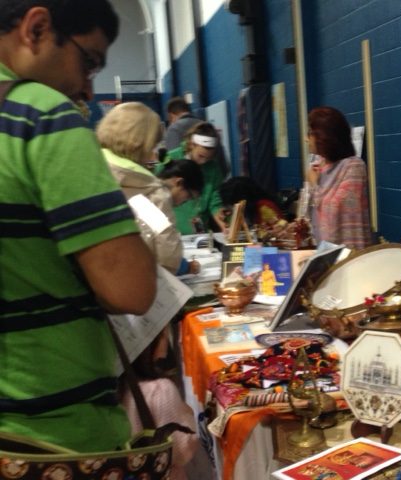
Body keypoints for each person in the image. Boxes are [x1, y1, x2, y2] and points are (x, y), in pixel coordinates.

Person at [0, 0, 157, 452]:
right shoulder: (41, 116)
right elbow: (131, 290)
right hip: (49, 436)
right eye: (88, 62)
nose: (87, 89)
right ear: (37, 27)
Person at [96, 101, 201, 275]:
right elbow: (168, 258)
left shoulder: (87, 171)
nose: (153, 155)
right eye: (152, 147)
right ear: (139, 143)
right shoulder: (151, 193)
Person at [120, 327, 200, 480]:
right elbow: (182, 451)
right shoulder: (161, 390)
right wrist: (188, 415)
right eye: (163, 334)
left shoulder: (118, 387)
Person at [307, 106, 372, 249]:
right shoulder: (320, 167)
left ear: (324, 136)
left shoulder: (354, 166)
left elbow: (335, 208)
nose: (307, 139)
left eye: (311, 133)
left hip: (350, 255)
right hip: (325, 254)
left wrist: (314, 185)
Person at [158, 121, 229, 234]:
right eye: (201, 156)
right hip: (173, 228)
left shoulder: (213, 169)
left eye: (208, 158)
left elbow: (214, 199)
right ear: (191, 144)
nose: (203, 161)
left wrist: (218, 213)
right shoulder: (171, 160)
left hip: (198, 233)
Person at [219, 176, 284, 227]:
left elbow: (280, 231)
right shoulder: (245, 211)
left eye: (231, 205)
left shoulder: (264, 207)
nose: (230, 208)